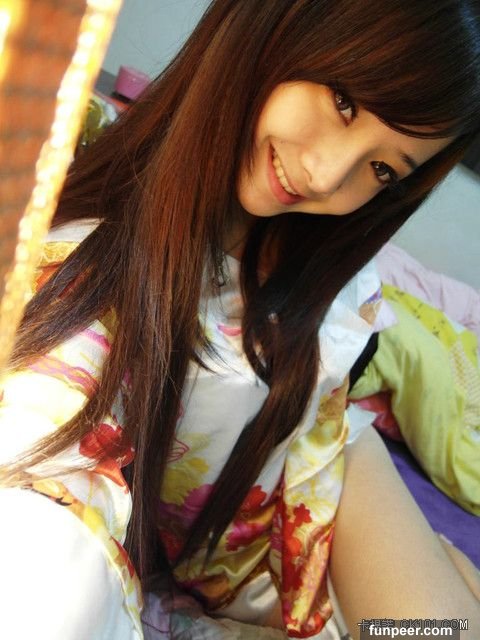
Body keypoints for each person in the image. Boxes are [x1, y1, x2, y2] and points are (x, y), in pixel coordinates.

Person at [0, 1, 479, 638]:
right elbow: (44, 480)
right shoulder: (92, 260)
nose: (325, 176)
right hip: (253, 551)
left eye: (383, 169)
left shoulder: (327, 282)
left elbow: (329, 422)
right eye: (343, 101)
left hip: (321, 456)